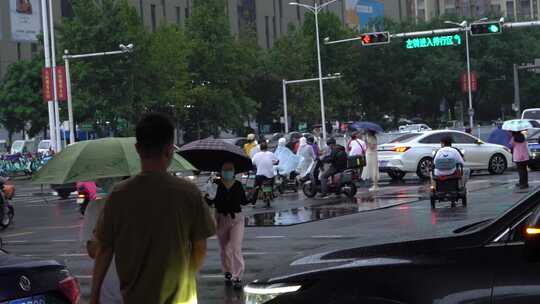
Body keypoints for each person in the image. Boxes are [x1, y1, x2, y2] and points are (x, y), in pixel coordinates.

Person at [90, 113, 216, 304]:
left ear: (137, 149)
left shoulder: (119, 195)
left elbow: (104, 250)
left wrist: (94, 297)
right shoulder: (188, 193)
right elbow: (200, 248)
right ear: (169, 150)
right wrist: (184, 279)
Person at [205, 162, 248, 289]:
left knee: (235, 248)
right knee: (224, 249)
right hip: (221, 218)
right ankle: (228, 271)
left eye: (230, 169)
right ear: (221, 171)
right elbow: (210, 201)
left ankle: (238, 275)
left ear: (234, 171)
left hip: (237, 219)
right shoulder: (215, 184)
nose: (228, 172)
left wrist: (255, 193)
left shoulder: (238, 185)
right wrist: (206, 196)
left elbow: (244, 201)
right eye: (225, 169)